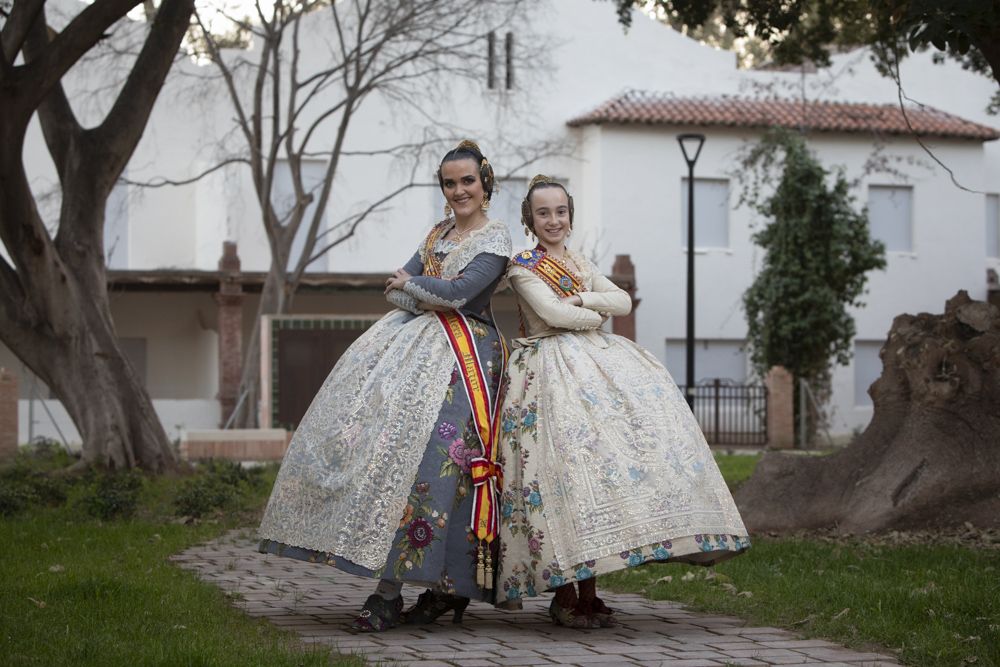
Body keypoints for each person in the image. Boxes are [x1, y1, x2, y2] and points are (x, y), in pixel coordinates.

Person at [258, 140, 513, 632]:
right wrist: (422, 293)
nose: (459, 190)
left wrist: (417, 289)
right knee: (386, 456)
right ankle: (415, 586)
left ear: (486, 185)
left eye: (467, 181)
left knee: (437, 469)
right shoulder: (437, 232)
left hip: (464, 362)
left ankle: (417, 589)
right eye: (449, 182)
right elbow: (396, 290)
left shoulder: (496, 238)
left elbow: (460, 295)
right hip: (409, 355)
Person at [496, 175, 750, 628]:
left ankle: (590, 591)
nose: (553, 220)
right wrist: (593, 311)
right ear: (529, 220)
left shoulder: (578, 259)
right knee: (559, 477)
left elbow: (623, 301)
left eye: (560, 211)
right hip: (547, 375)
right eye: (543, 213)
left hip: (594, 370)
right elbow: (552, 315)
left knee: (599, 471)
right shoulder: (522, 265)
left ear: (570, 214)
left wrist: (580, 297)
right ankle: (564, 593)